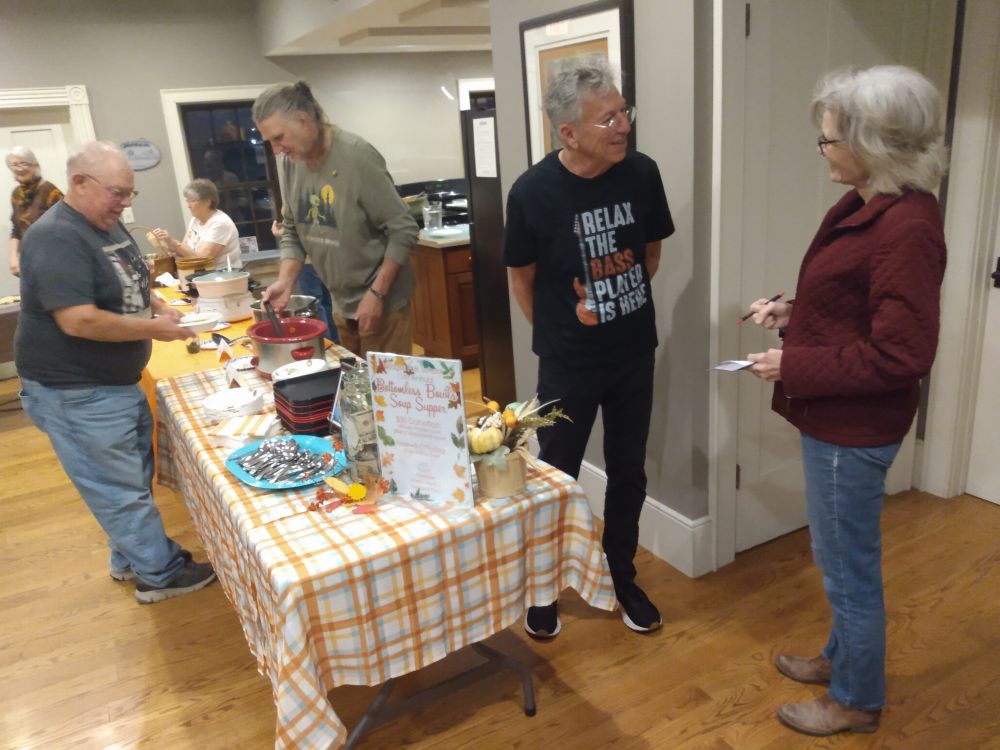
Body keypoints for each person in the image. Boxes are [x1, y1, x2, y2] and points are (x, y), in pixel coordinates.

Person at [745, 65, 948, 736]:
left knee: (847, 568)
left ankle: (857, 698)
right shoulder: (871, 201)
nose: (824, 150)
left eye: (831, 139)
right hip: (836, 417)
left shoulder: (907, 226)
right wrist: (793, 312)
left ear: (875, 141)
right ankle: (839, 658)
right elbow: (857, 309)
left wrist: (793, 362)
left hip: (852, 428)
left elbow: (902, 353)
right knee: (840, 558)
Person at [503, 61, 674, 637]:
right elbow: (521, 278)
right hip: (568, 362)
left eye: (624, 112)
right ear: (568, 132)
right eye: (608, 118)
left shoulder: (642, 174)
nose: (622, 125)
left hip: (632, 354)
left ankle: (620, 575)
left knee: (629, 470)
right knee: (556, 474)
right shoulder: (531, 192)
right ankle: (543, 585)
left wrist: (617, 309)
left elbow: (649, 254)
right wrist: (561, 333)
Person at [15, 141, 217, 604]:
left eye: (130, 194)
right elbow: (78, 319)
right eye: (117, 193)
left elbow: (129, 282)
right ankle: (159, 575)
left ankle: (131, 558)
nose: (125, 203)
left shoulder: (103, 225)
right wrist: (155, 331)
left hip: (109, 385)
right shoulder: (55, 237)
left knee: (128, 479)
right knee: (118, 488)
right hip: (75, 390)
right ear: (80, 183)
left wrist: (161, 306)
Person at [252, 81, 419, 357]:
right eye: (269, 141)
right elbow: (292, 229)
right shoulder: (291, 163)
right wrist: (285, 281)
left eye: (279, 138)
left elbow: (403, 230)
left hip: (383, 303)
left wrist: (377, 294)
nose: (276, 150)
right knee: (355, 386)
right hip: (341, 300)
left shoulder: (356, 156)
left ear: (304, 121)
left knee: (387, 395)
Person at [271, 219, 338, 343]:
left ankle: (325, 342)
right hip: (325, 257)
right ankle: (334, 342)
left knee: (315, 304)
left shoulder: (298, 203)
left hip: (306, 260)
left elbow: (302, 232)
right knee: (328, 303)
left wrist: (283, 233)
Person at [153, 178, 241, 270]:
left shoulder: (220, 223)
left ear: (207, 201)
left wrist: (173, 242)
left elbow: (202, 260)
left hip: (223, 277)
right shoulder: (195, 220)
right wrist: (166, 242)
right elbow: (184, 251)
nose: (188, 205)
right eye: (187, 201)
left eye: (192, 201)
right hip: (199, 275)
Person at [8, 146, 63, 277]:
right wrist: (13, 258)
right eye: (14, 164)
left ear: (35, 165)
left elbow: (66, 228)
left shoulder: (51, 191)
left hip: (55, 262)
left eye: (23, 163)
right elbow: (16, 230)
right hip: (29, 261)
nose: (19, 169)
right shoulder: (16, 194)